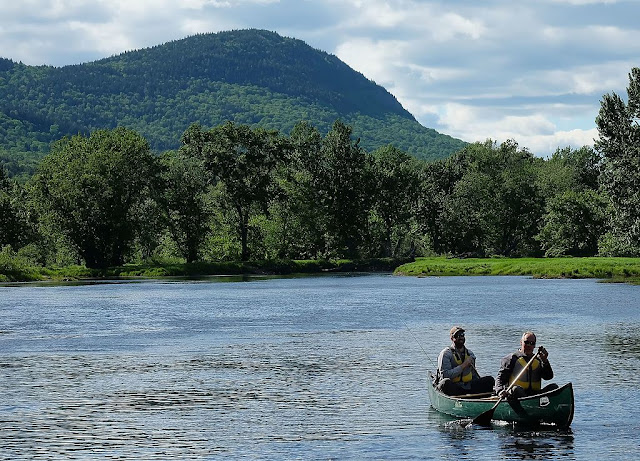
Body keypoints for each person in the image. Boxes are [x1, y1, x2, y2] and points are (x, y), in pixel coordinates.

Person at [494, 331, 558, 399]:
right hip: (516, 395)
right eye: (526, 342)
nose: (529, 345)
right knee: (516, 389)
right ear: (521, 342)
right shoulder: (511, 359)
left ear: (534, 345)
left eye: (532, 343)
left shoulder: (539, 360)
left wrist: (545, 361)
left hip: (535, 395)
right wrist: (500, 391)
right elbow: (500, 379)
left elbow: (548, 377)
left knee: (554, 387)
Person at [436, 326, 495, 396]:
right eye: (457, 335)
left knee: (489, 380)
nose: (460, 337)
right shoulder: (446, 354)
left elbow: (473, 375)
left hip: (468, 386)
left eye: (462, 335)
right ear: (452, 338)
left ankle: (483, 400)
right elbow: (445, 375)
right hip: (454, 387)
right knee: (445, 382)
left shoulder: (470, 354)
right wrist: (463, 365)